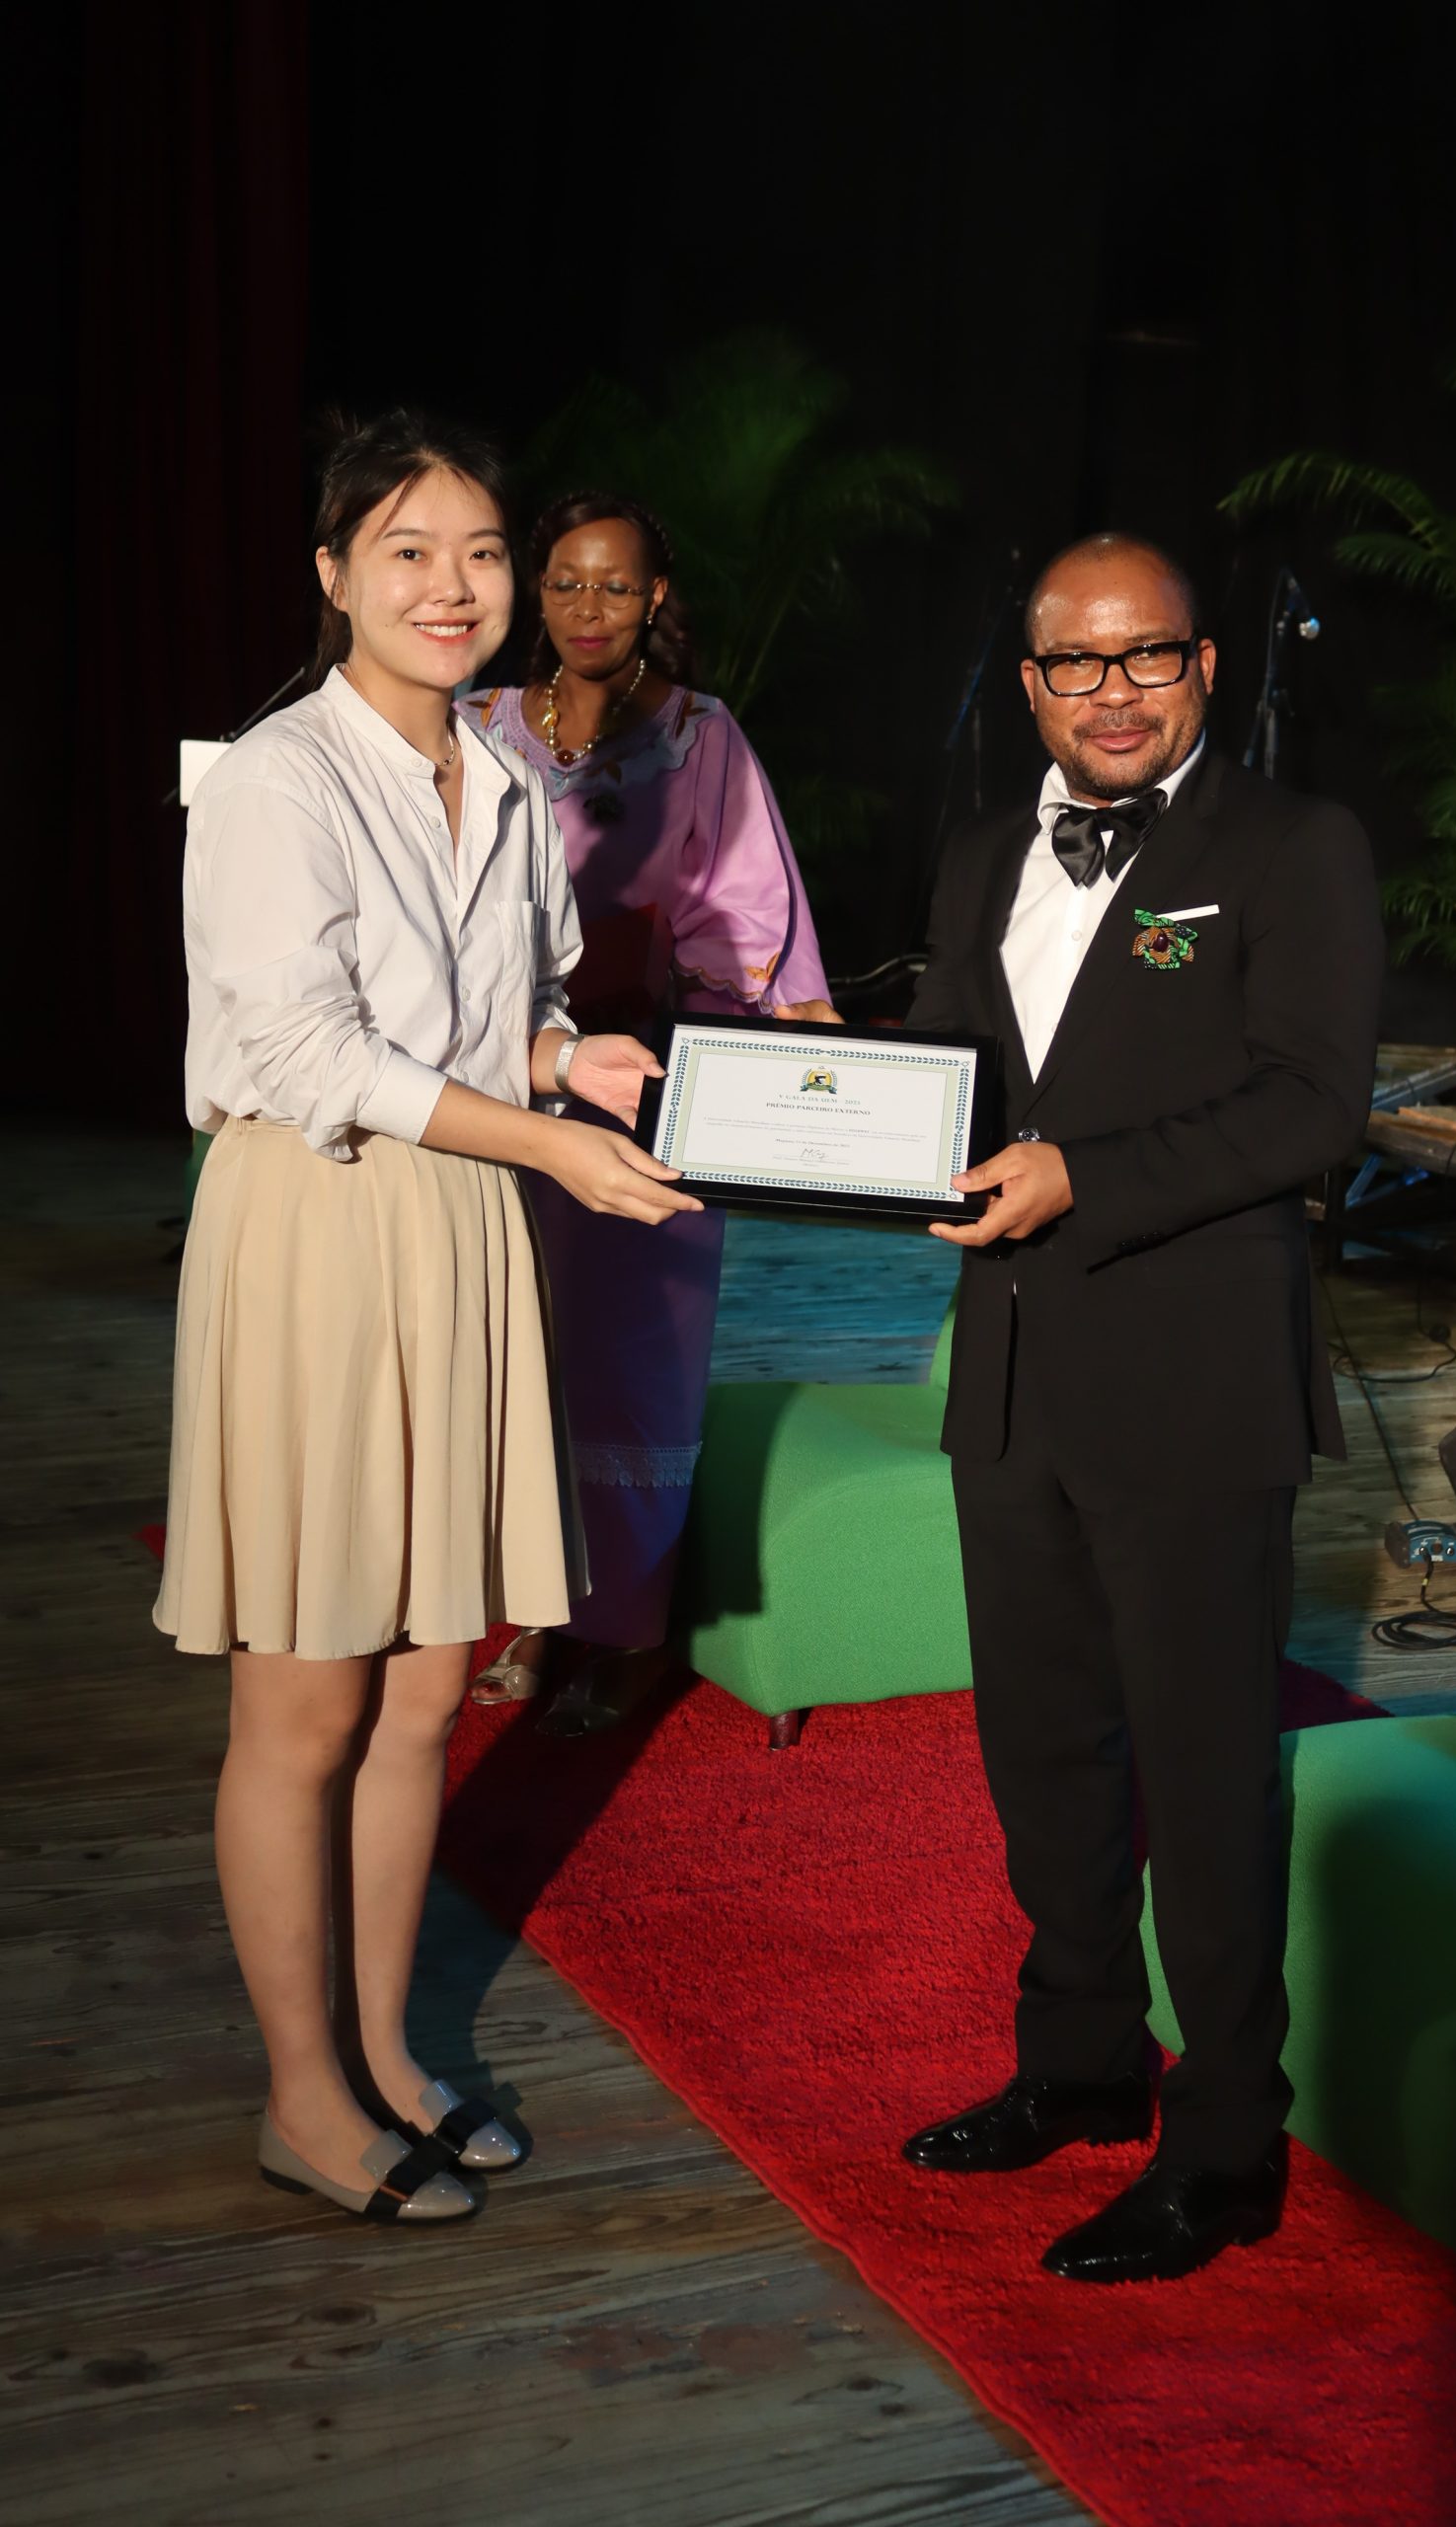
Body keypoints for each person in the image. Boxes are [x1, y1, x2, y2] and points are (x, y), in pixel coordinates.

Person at [153, 414, 700, 2224]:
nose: (451, 587)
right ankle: (300, 2097)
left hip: (464, 1227)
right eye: (406, 550)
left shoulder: (505, 775)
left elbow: (506, 1011)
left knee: (417, 1698)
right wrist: (539, 1127)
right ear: (333, 575)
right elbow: (313, 1055)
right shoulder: (276, 781)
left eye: (478, 552)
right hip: (317, 1228)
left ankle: (386, 2053)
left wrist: (568, 1059)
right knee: (305, 1704)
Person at [896, 534, 1383, 2280]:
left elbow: (1312, 1105)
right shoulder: (980, 854)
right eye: (1074, 663)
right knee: (1039, 1752)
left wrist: (1080, 1179)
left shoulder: (1291, 847)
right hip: (1010, 1372)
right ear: (1028, 683)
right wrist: (810, 1084)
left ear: (1202, 666)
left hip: (1191, 1384)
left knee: (1201, 1768)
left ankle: (1227, 2141)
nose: (1110, 693)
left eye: (1146, 656)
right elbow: (948, 1068)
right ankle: (1083, 2064)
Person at [461, 493, 829, 1723]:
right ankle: (530, 1607)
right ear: (534, 588)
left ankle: (627, 1625)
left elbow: (751, 914)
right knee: (511, 1354)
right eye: (566, 581)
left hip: (650, 1089)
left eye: (615, 585)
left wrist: (710, 1009)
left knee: (631, 1367)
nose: (588, 607)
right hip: (497, 1089)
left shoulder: (700, 736)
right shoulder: (475, 724)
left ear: (655, 597)